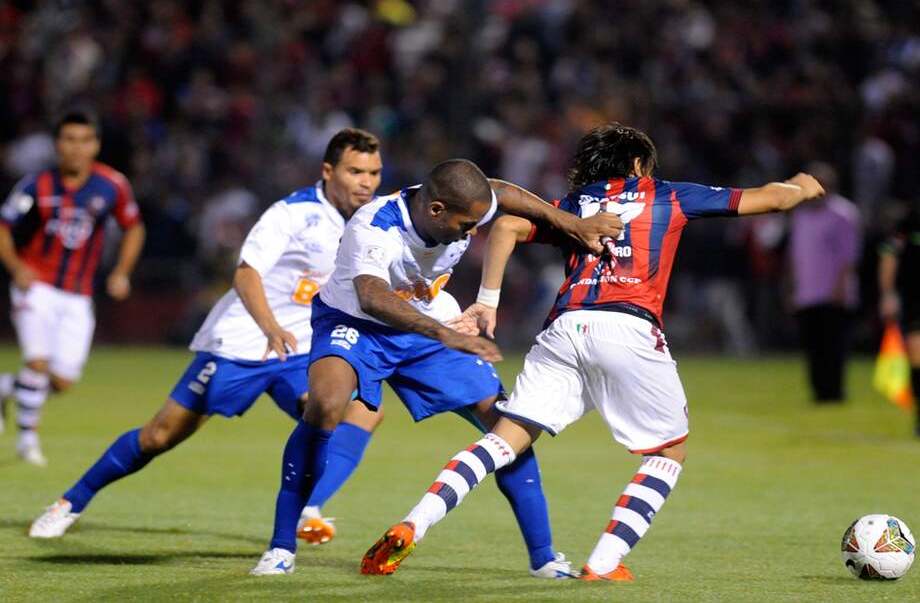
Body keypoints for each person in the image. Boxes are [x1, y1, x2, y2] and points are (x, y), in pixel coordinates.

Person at [362, 123, 825, 581]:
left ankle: (413, 523)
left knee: (503, 440)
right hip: (628, 326)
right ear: (640, 164)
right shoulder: (666, 194)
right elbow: (771, 198)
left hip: (563, 328)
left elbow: (504, 227)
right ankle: (604, 563)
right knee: (670, 449)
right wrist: (800, 186)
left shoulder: (573, 207)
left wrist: (488, 301)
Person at [250, 158, 624, 577]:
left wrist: (569, 222)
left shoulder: (462, 202)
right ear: (435, 211)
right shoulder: (375, 225)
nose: (470, 234)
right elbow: (372, 296)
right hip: (355, 322)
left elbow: (501, 189)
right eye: (466, 226)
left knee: (506, 428)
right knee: (326, 404)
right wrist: (447, 335)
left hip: (425, 324)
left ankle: (544, 559)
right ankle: (281, 548)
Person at [28, 129, 387, 539]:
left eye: (374, 172)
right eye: (355, 171)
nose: (367, 182)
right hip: (241, 343)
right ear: (328, 171)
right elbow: (245, 273)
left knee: (362, 412)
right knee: (160, 435)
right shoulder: (292, 214)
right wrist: (269, 326)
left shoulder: (373, 217)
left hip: (300, 350)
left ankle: (309, 508)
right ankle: (70, 501)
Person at [0, 109, 145, 466]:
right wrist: (17, 267)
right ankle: (28, 442)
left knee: (62, 381)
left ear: (95, 145)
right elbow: (3, 226)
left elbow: (134, 227)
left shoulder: (112, 184)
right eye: (68, 140)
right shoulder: (36, 185)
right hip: (36, 286)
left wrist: (123, 271)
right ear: (57, 144)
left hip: (79, 294)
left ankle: (5, 387)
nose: (76, 148)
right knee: (37, 364)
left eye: (84, 140)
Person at [789, 162, 862, 403]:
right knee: (813, 347)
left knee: (833, 347)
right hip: (807, 292)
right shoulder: (800, 216)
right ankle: (819, 392)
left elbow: (848, 256)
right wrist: (792, 287)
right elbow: (796, 256)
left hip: (833, 294)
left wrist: (840, 286)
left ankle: (834, 392)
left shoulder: (844, 214)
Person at [879, 197, 920, 436]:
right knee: (917, 356)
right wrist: (887, 293)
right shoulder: (911, 220)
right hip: (916, 300)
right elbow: (888, 253)